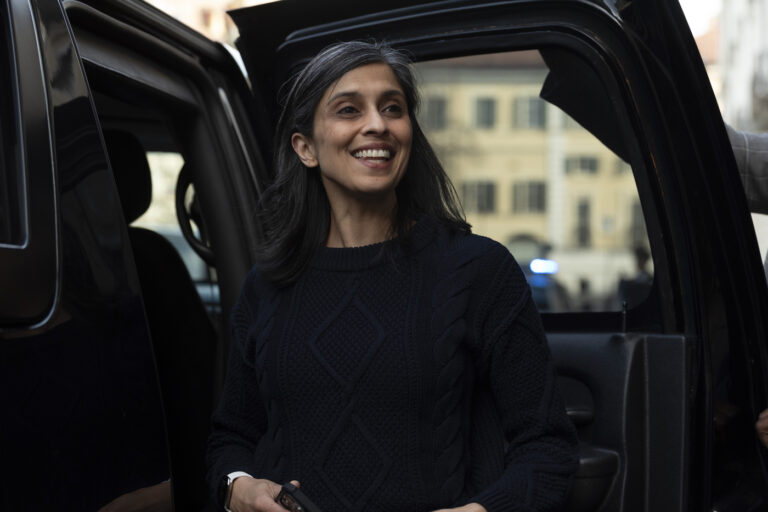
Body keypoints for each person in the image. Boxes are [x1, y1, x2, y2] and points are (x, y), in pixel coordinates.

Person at [206, 40, 578, 512]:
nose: (377, 124)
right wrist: (237, 487)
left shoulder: (477, 270)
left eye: (392, 108)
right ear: (305, 148)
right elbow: (231, 437)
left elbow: (548, 448)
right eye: (348, 109)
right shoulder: (266, 286)